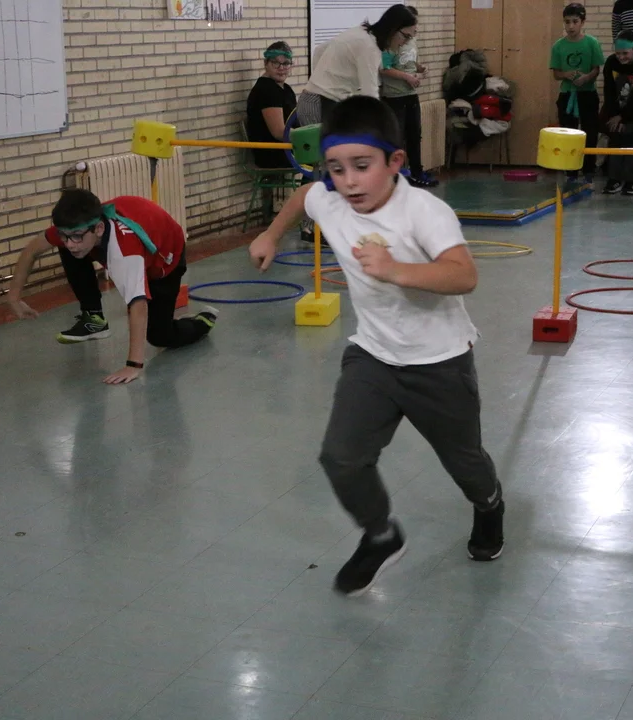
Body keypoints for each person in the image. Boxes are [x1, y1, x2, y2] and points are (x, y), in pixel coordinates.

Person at [248, 96, 505, 597]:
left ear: (394, 161)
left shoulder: (423, 212)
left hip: (440, 363)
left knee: (464, 462)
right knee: (341, 457)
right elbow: (304, 196)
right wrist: (271, 234)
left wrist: (396, 270)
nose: (348, 181)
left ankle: (490, 505)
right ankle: (381, 535)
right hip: (373, 356)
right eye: (336, 168)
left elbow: (463, 275)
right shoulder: (330, 197)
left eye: (362, 166)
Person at [7, 190, 218, 384]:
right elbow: (31, 251)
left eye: (77, 236)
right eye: (64, 235)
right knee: (69, 250)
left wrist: (133, 365)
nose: (70, 242)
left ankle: (203, 321)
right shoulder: (78, 229)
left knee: (160, 336)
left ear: (98, 229)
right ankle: (94, 317)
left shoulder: (125, 251)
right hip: (139, 230)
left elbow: (138, 304)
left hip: (165, 256)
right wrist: (14, 297)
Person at [297, 4, 417, 126]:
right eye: (406, 36)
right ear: (393, 28)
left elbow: (319, 50)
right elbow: (370, 95)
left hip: (317, 100)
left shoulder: (361, 32)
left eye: (410, 38)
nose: (406, 42)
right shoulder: (370, 47)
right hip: (320, 104)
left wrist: (318, 83)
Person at [380, 5, 437, 188]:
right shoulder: (391, 43)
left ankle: (417, 171)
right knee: (396, 137)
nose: (413, 31)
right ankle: (395, 175)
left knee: (414, 134)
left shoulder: (411, 40)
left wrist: (420, 68)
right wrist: (406, 77)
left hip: (411, 94)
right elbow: (385, 68)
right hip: (395, 96)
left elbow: (409, 61)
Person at [551, 3, 604, 179]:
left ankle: (589, 169)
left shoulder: (591, 43)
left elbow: (596, 69)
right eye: (567, 22)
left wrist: (586, 78)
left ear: (582, 22)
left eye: (575, 21)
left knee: (590, 132)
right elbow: (556, 74)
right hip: (567, 94)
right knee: (568, 132)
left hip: (587, 94)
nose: (571, 26)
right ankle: (571, 170)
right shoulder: (558, 46)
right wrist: (566, 74)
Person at [599, 30, 633, 195]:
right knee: (615, 141)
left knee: (630, 142)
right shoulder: (611, 63)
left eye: (625, 53)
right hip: (614, 112)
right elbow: (608, 91)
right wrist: (615, 115)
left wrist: (623, 118)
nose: (621, 57)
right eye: (618, 53)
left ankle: (630, 180)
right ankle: (613, 179)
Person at [246, 41, 297, 169]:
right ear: (266, 63)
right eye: (275, 63)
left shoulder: (286, 89)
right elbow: (279, 132)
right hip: (273, 153)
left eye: (286, 63)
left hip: (287, 148)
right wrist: (308, 139)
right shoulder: (267, 91)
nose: (281, 68)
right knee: (325, 155)